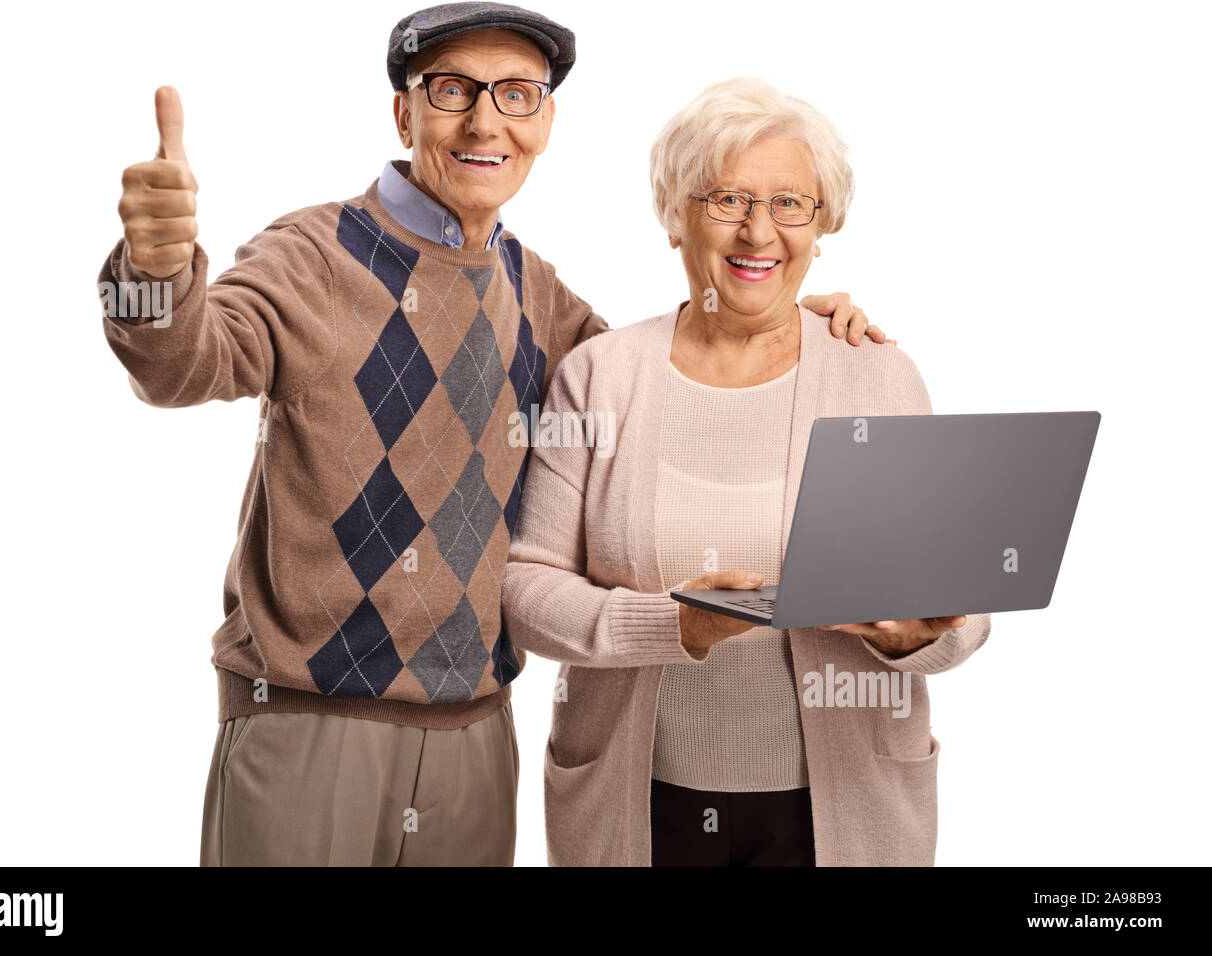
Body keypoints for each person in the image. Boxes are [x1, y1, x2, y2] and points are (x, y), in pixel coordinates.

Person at [100, 5, 885, 866]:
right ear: (404, 112)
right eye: (452, 90)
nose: (485, 121)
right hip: (307, 722)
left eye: (516, 95)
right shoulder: (312, 253)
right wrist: (155, 271)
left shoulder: (533, 289)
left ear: (545, 122)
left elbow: (658, 378)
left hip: (477, 736)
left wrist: (780, 318)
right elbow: (181, 367)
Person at [501, 77, 992, 867]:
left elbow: (962, 617)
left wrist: (911, 639)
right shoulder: (600, 376)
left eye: (791, 204)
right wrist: (677, 625)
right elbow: (526, 592)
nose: (758, 232)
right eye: (726, 199)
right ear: (675, 218)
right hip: (643, 804)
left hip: (843, 808)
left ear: (822, 225)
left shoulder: (875, 375)